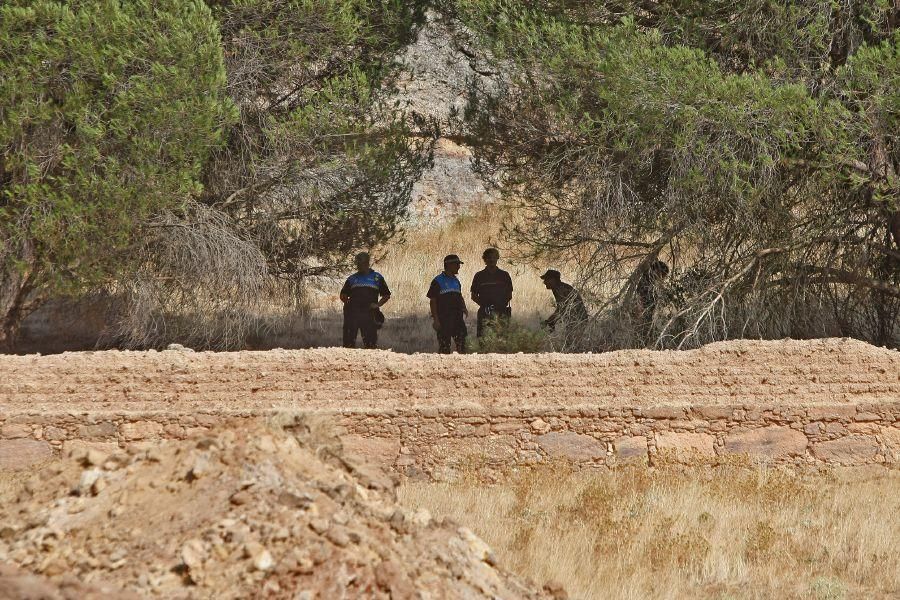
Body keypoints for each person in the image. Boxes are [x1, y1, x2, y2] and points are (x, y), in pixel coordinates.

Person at [340, 252, 390, 349]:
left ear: (367, 263)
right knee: (348, 344)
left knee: (370, 344)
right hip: (352, 313)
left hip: (369, 313)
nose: (358, 266)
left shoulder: (377, 277)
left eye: (361, 263)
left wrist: (377, 305)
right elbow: (343, 294)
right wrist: (345, 300)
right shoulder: (352, 278)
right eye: (357, 264)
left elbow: (386, 295)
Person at [427, 254, 469, 353]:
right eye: (457, 264)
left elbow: (460, 296)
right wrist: (436, 319)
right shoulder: (437, 281)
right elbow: (433, 301)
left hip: (457, 318)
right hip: (444, 319)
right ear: (449, 265)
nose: (459, 267)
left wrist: (464, 308)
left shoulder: (456, 281)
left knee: (462, 342)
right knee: (444, 346)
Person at [471, 248, 513, 338]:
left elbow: (509, 294)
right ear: (484, 260)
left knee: (502, 339)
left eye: (494, 257)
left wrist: (499, 306)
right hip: (485, 312)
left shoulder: (504, 275)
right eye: (489, 258)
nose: (491, 260)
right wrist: (485, 306)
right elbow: (473, 296)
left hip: (501, 312)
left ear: (497, 258)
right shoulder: (479, 276)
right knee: (483, 339)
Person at [636, 259, 669, 344]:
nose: (662, 278)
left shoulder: (652, 281)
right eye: (662, 275)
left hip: (650, 310)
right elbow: (639, 296)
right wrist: (640, 310)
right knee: (644, 327)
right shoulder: (645, 281)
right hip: (644, 310)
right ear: (656, 271)